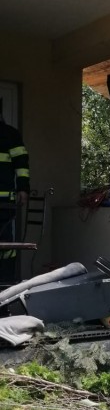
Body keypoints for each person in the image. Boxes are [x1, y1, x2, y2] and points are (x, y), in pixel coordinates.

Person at [0, 114, 29, 284]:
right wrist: (23, 190)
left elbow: (21, 164)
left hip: (4, 203)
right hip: (5, 202)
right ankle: (6, 284)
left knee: (5, 245)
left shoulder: (10, 134)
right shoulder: (10, 134)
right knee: (6, 245)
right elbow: (22, 164)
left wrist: (23, 189)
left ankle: (5, 286)